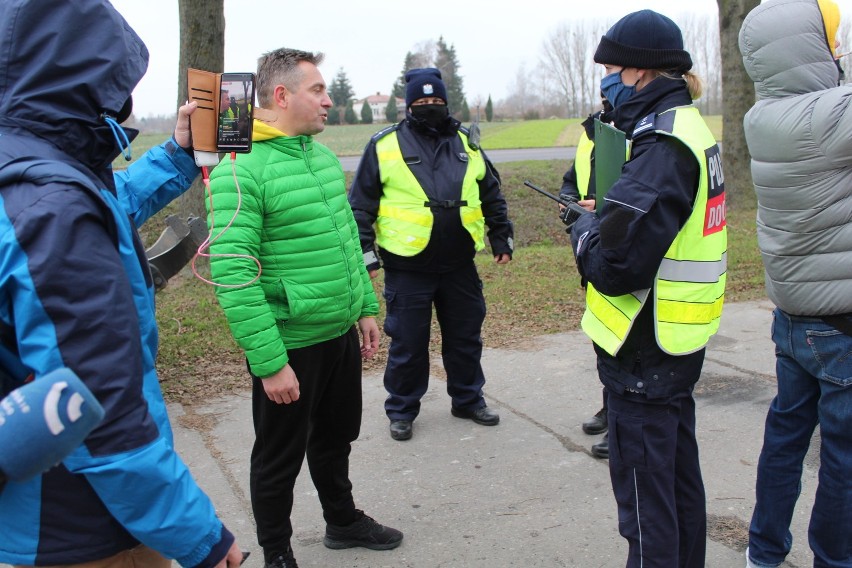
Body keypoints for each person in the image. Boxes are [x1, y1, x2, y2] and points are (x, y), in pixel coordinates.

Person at [0, 1, 243, 567]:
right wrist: (200, 537)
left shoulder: (32, 170)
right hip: (78, 517)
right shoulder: (53, 205)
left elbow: (111, 204)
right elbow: (99, 408)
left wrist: (181, 152)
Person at [205, 48, 403, 568]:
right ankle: (277, 552)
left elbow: (345, 241)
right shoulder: (237, 171)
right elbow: (234, 277)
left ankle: (342, 521)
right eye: (317, 90)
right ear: (280, 95)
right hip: (290, 342)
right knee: (278, 459)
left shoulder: (317, 157)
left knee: (336, 438)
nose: (329, 100)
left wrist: (363, 306)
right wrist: (270, 363)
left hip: (337, 332)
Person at [568, 10, 727, 567]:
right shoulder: (686, 128)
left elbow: (615, 266)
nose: (606, 82)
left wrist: (583, 227)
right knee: (677, 483)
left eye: (611, 69)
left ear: (642, 71)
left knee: (645, 504)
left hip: (644, 350)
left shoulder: (661, 144)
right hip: (674, 342)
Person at [739, 1, 852, 566]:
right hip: (840, 326)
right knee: (844, 457)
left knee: (785, 436)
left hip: (793, 317)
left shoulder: (761, 117)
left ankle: (764, 548)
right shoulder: (831, 115)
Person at [348, 68, 514, 442]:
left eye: (436, 101)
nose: (429, 107)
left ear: (446, 102)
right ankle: (402, 409)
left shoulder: (467, 143)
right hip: (408, 268)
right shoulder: (384, 144)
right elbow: (359, 207)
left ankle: (468, 399)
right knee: (407, 343)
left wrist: (502, 237)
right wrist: (366, 256)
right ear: (408, 105)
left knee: (466, 336)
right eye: (421, 102)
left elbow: (491, 193)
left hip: (460, 264)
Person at [559, 96, 612, 460]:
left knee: (628, 343)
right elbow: (571, 179)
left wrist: (603, 206)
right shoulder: (591, 131)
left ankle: (623, 423)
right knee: (604, 335)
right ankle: (612, 408)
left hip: (623, 248)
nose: (608, 82)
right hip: (593, 247)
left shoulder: (643, 130)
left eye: (614, 69)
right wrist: (569, 202)